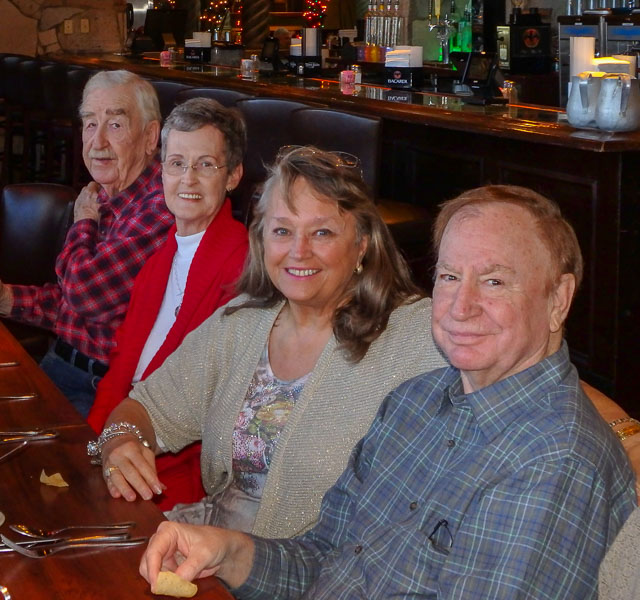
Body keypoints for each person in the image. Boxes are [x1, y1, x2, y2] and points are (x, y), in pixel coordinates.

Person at [139, 185, 637, 599]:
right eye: (448, 276)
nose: (461, 306)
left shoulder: (552, 461)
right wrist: (228, 551)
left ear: (559, 300)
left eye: (494, 281)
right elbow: (325, 559)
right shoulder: (415, 401)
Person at [93, 146, 447, 538]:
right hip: (206, 549)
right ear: (261, 239)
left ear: (362, 243)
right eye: (282, 231)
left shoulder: (415, 336)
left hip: (320, 576)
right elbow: (144, 408)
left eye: (322, 232)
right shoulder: (244, 322)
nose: (299, 251)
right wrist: (119, 443)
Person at [0, 70, 174, 416]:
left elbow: (87, 296)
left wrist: (83, 222)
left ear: (150, 137)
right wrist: (2, 296)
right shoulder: (105, 195)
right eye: (90, 124)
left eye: (115, 125)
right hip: (62, 364)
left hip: (104, 392)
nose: (97, 142)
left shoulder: (160, 206)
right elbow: (71, 303)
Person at [86, 98, 249, 510]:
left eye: (206, 165)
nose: (187, 179)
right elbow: (121, 366)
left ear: (233, 176)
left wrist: (113, 448)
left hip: (170, 469)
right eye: (176, 163)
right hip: (122, 447)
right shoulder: (160, 260)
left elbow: (207, 404)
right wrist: (93, 443)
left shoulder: (243, 265)